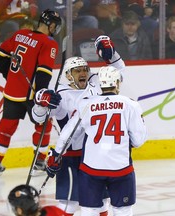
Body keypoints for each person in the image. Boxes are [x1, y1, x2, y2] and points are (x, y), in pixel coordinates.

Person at [32, 36, 125, 215]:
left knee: (102, 202)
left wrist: (110, 53)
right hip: (70, 157)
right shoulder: (60, 96)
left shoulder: (96, 84)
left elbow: (118, 71)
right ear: (67, 75)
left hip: (96, 154)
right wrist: (40, 101)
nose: (83, 72)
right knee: (69, 204)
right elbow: (38, 119)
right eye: (77, 70)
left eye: (85, 69)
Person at [46, 65, 147, 216]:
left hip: (91, 168)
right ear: (118, 83)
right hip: (121, 167)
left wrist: (57, 154)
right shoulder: (130, 105)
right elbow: (138, 140)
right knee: (123, 210)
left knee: (89, 210)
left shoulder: (86, 104)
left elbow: (68, 133)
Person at [0, 9, 62, 178]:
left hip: (12, 91)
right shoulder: (49, 43)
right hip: (31, 94)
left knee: (6, 126)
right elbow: (44, 71)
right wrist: (42, 93)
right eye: (55, 26)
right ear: (51, 25)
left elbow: (0, 56)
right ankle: (39, 162)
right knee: (43, 125)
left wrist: (10, 76)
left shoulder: (20, 34)